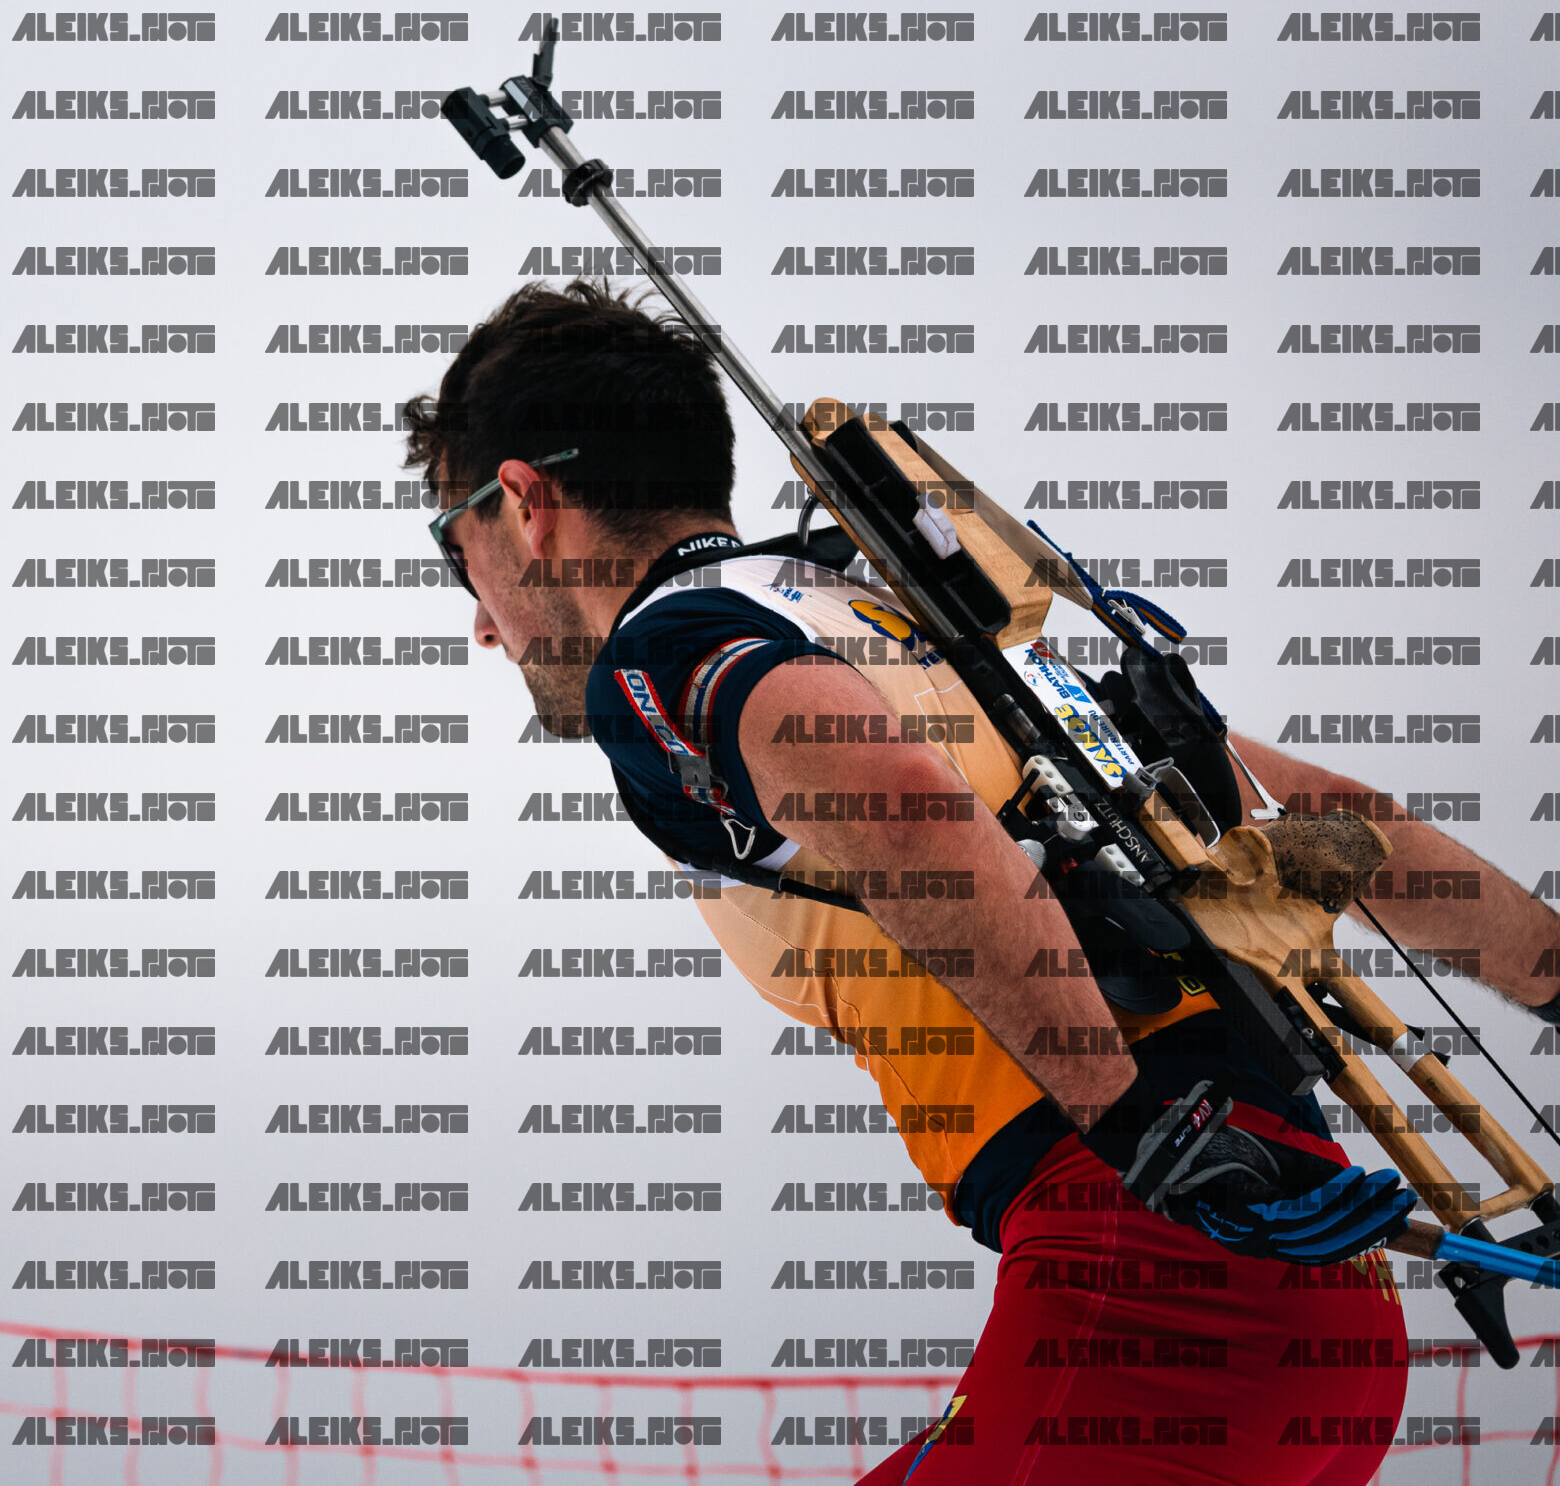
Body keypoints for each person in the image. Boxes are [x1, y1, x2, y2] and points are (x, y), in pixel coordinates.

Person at [397, 279, 1560, 1484]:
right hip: (1325, 1312)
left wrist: (1130, 1126)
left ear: (525, 505)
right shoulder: (911, 627)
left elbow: (898, 805)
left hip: (1151, 1276)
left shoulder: (666, 649)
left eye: (452, 548)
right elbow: (1334, 824)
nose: (480, 621)